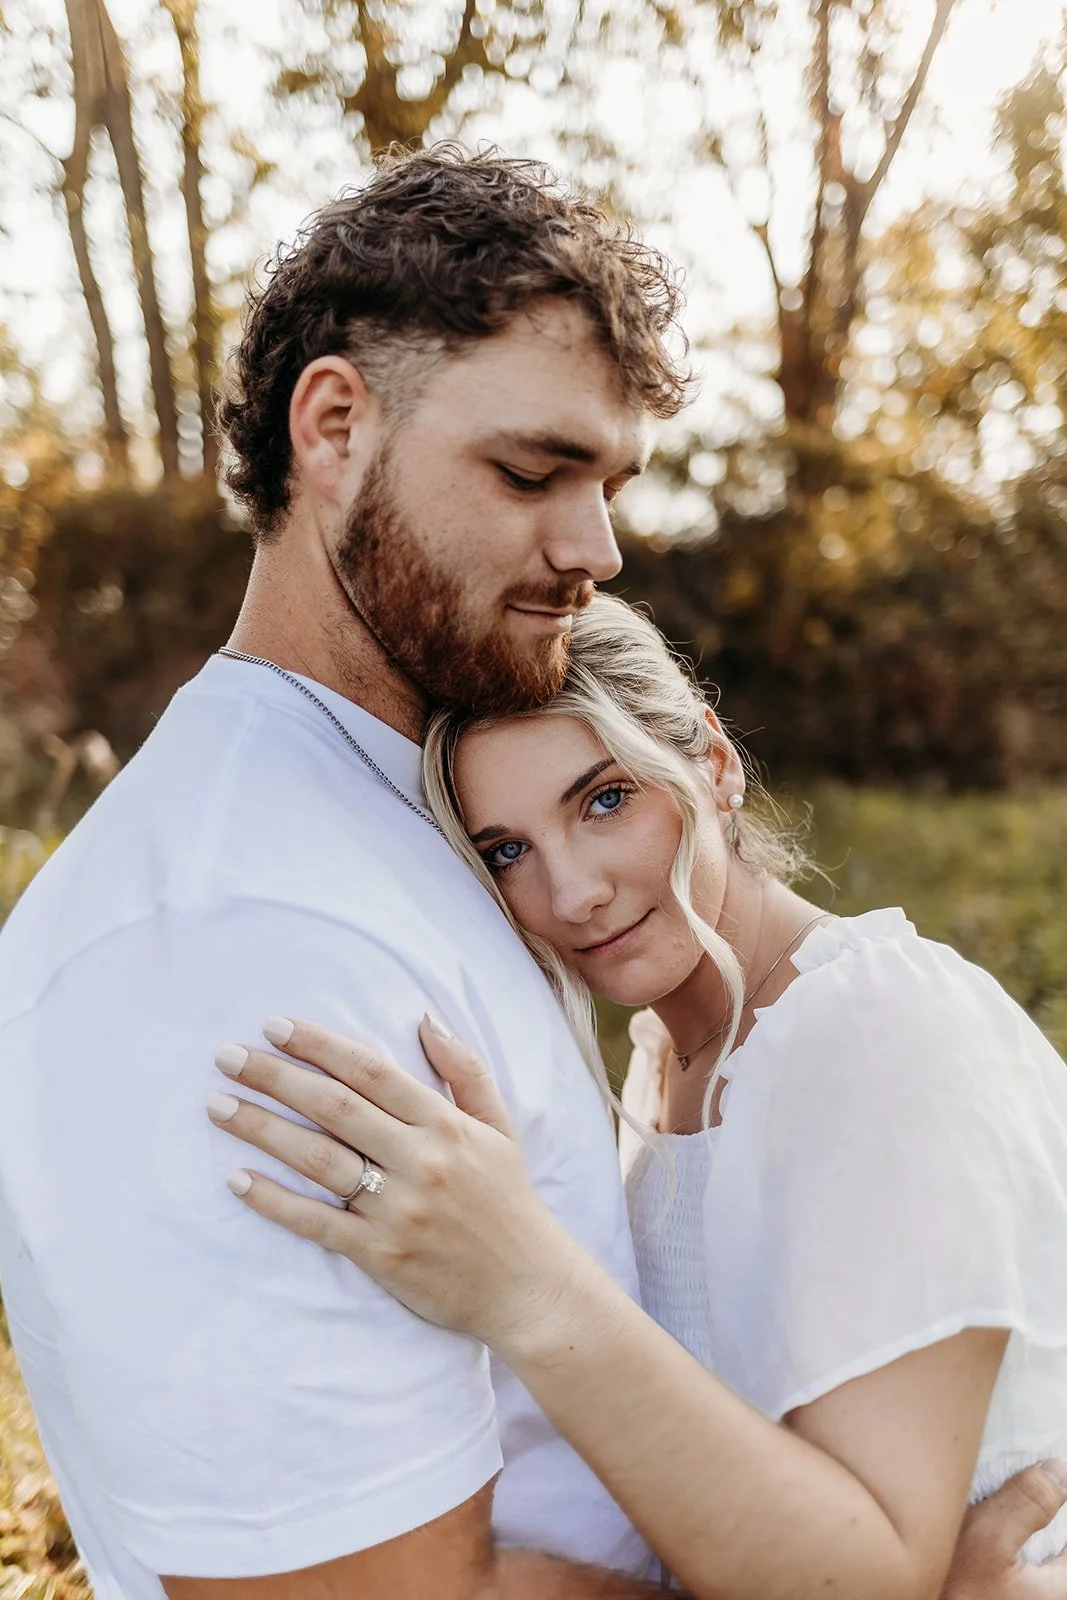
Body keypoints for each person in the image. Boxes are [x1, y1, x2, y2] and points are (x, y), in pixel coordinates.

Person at [0, 143, 1057, 1600]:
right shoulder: (242, 922)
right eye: (529, 470)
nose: (597, 547)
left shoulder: (384, 822)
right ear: (334, 427)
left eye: (608, 483)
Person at [206, 592, 1067, 1600]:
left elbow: (864, 1581)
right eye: (505, 851)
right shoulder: (661, 1058)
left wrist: (521, 1279)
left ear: (712, 763)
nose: (570, 893)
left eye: (603, 798)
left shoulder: (873, 1027)